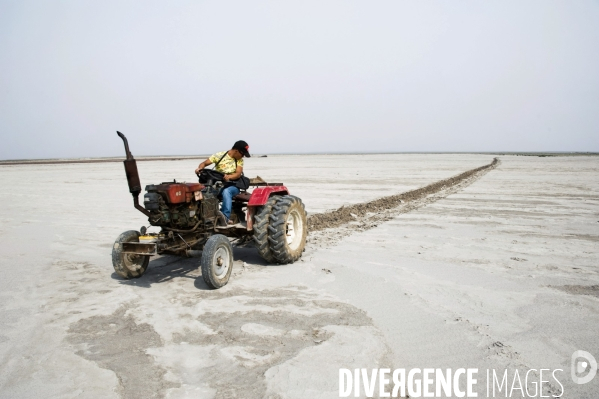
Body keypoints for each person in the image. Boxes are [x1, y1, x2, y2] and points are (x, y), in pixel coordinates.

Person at [195, 140, 251, 223]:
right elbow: (203, 164)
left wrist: (229, 177)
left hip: (233, 186)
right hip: (218, 184)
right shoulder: (219, 155)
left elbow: (238, 174)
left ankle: (225, 217)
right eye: (242, 154)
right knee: (203, 192)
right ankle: (200, 216)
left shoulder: (239, 160)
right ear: (236, 151)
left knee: (226, 192)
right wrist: (199, 168)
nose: (243, 156)